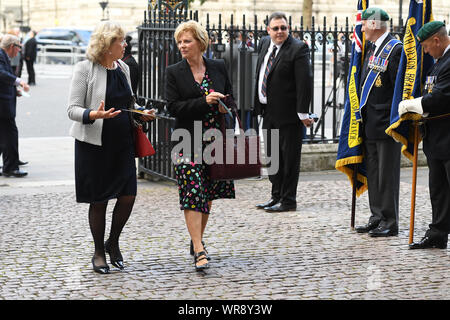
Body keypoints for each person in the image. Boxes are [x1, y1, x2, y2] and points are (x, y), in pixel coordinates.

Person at [67, 21, 155, 274]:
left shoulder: (124, 67)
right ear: (107, 45)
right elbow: (72, 109)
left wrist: (141, 114)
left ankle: (113, 241)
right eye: (122, 41)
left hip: (122, 143)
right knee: (100, 201)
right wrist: (94, 114)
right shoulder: (85, 69)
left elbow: (129, 104)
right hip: (95, 146)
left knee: (128, 196)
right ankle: (98, 251)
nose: (126, 44)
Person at [165, 20, 235, 271]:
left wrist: (222, 103)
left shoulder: (218, 66)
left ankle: (197, 241)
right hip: (186, 139)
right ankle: (199, 248)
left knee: (206, 192)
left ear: (200, 43)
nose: (182, 46)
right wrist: (204, 102)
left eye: (187, 41)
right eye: (180, 42)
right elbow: (173, 107)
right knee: (192, 190)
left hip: (215, 138)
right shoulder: (174, 72)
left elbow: (231, 97)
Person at [253, 12, 313, 213]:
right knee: (272, 157)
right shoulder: (264, 43)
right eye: (276, 28)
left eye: (283, 28)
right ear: (268, 30)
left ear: (289, 29)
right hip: (268, 112)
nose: (280, 32)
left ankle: (288, 200)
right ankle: (275, 195)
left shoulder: (298, 49)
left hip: (289, 115)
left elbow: (305, 83)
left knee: (288, 159)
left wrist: (303, 113)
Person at [398, 21, 450, 249]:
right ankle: (438, 233)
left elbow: (440, 97)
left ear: (437, 40)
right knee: (438, 190)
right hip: (436, 139)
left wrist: (413, 104)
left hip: (448, 138)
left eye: (427, 46)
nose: (426, 51)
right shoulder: (438, 64)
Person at [354, 8, 403, 237]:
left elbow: (398, 88)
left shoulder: (395, 49)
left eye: (364, 24)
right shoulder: (373, 48)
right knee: (374, 172)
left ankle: (390, 221)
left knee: (387, 175)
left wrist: (393, 119)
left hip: (386, 123)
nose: (361, 28)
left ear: (374, 24)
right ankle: (377, 216)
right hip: (370, 121)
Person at [0, 35, 30, 178]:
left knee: (4, 136)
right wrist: (18, 81)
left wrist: (15, 91)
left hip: (5, 102)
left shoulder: (3, 55)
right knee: (10, 135)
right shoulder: (1, 55)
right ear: (12, 46)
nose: (18, 52)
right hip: (3, 106)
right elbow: (1, 74)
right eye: (18, 48)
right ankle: (10, 167)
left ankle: (10, 163)